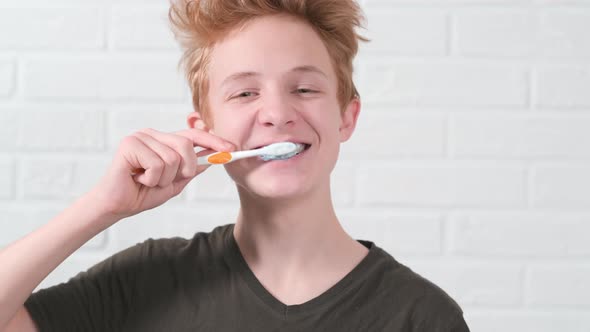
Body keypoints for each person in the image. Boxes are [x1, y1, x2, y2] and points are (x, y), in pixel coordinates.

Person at [0, 0, 470, 331]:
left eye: (304, 89)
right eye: (245, 93)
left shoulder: (421, 316)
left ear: (347, 116)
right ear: (204, 130)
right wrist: (101, 208)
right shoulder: (150, 279)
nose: (277, 112)